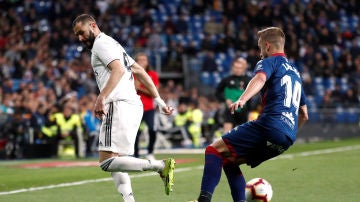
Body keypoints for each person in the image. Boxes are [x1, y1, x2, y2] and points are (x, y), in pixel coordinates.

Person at [190, 27, 309, 202]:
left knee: (213, 149)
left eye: (260, 46)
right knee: (230, 160)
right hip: (287, 138)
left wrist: (242, 99)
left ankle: (203, 200)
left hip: (269, 125)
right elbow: (304, 114)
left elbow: (260, 79)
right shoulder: (295, 73)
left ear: (267, 46)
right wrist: (288, 133)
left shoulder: (269, 62)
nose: (259, 51)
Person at [72, 14, 175, 201]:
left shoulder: (101, 44)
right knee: (117, 160)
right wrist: (158, 100)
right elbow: (139, 71)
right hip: (131, 105)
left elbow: (119, 70)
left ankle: (161, 166)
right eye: (77, 35)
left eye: (82, 32)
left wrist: (101, 97)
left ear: (93, 26)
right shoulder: (113, 44)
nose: (80, 38)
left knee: (106, 162)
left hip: (118, 104)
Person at [215, 57, 252, 133]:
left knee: (243, 133)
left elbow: (252, 96)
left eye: (240, 68)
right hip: (229, 110)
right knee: (226, 133)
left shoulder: (248, 80)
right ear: (232, 68)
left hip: (244, 110)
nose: (237, 69)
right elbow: (217, 92)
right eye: (235, 67)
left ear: (243, 68)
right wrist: (225, 99)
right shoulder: (226, 80)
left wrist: (251, 110)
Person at [133, 52, 159, 160]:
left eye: (144, 60)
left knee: (152, 130)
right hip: (135, 107)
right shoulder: (131, 74)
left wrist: (141, 88)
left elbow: (154, 92)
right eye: (140, 60)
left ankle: (150, 152)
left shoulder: (153, 74)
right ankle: (136, 154)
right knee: (135, 132)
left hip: (149, 108)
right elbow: (133, 89)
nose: (142, 62)